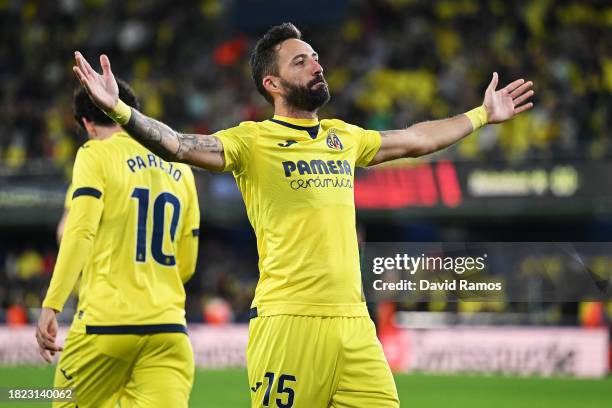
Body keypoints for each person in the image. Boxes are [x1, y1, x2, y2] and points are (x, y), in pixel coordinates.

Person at [72, 22, 534, 408]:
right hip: (287, 323)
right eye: (300, 60)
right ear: (271, 84)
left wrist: (480, 115)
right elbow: (177, 144)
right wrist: (118, 109)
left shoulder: (343, 137)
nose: (316, 64)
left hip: (355, 326)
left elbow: (416, 139)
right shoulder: (251, 141)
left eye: (315, 56)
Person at [36, 80, 200, 408]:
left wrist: (52, 305)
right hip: (168, 330)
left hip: (104, 325)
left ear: (87, 125)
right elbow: (187, 264)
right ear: (132, 113)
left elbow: (77, 232)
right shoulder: (182, 167)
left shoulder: (95, 154)